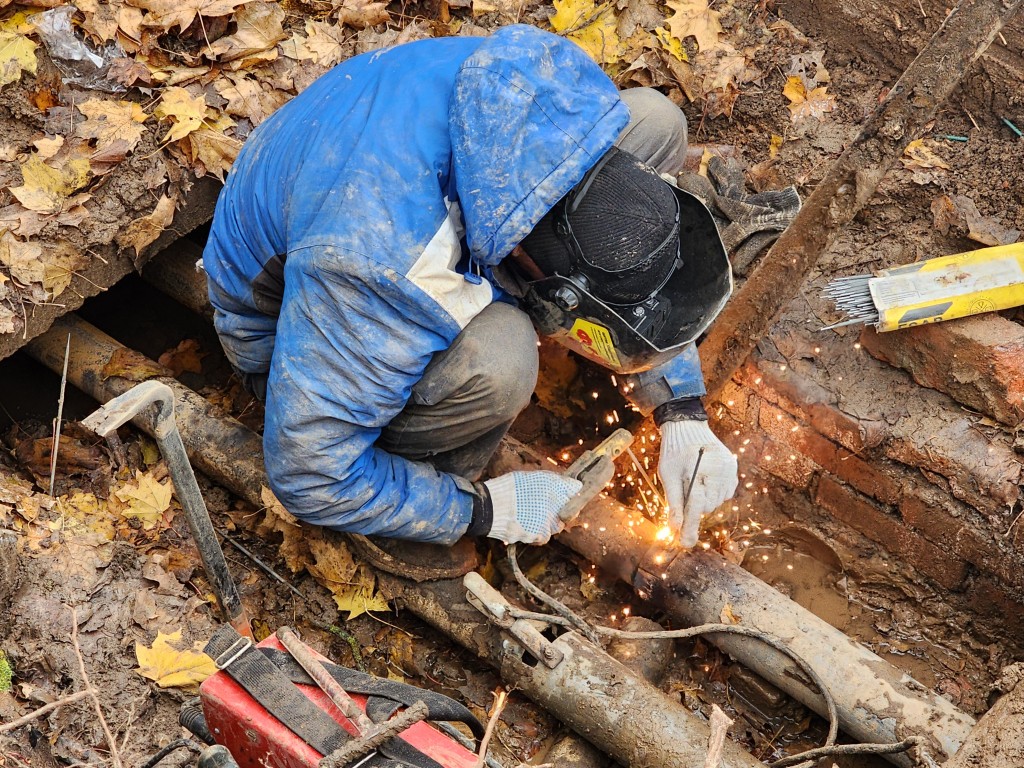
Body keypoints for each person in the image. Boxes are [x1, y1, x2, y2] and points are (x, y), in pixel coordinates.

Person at [203, 24, 739, 550]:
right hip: (301, 320)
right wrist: (480, 510)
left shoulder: (551, 83)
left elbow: (628, 244)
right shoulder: (378, 268)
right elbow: (309, 474)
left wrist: (681, 409)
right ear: (551, 287)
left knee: (654, 121)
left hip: (363, 165)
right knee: (503, 360)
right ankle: (420, 488)